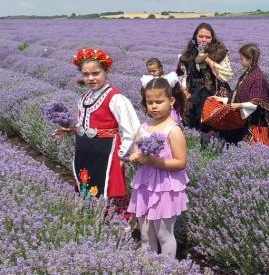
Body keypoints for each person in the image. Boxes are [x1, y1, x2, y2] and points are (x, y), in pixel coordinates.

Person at [54, 48, 140, 213]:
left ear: (106, 71)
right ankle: (93, 219)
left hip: (107, 152)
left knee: (109, 187)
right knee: (88, 183)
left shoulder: (115, 98)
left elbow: (130, 129)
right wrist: (69, 130)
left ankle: (115, 226)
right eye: (86, 74)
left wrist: (122, 155)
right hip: (86, 152)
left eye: (95, 73)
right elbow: (83, 124)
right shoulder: (85, 97)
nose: (91, 78)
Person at [127, 76, 188, 259]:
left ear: (171, 101)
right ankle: (149, 267)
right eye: (149, 102)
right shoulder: (143, 127)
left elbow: (181, 162)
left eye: (159, 102)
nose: (153, 106)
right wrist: (135, 157)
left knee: (164, 234)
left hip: (165, 188)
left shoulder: (173, 129)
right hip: (144, 186)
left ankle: (167, 269)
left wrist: (155, 162)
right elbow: (137, 152)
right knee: (146, 234)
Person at [208, 43, 269, 145]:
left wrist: (239, 105)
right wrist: (219, 98)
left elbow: (257, 102)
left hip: (256, 123)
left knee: (256, 151)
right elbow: (237, 93)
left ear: (250, 59)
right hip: (244, 120)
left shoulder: (258, 77)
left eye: (242, 59)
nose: (240, 61)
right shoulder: (248, 74)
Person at [179, 23, 234, 130]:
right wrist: (184, 91)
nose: (204, 40)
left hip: (214, 92)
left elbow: (226, 75)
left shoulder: (220, 51)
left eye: (208, 37)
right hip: (194, 93)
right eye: (201, 36)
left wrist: (207, 60)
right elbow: (184, 76)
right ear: (195, 37)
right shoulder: (188, 54)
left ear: (212, 38)